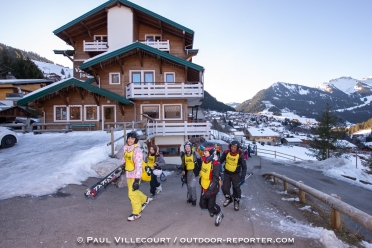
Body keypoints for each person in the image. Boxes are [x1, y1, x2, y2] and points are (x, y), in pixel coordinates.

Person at [121, 131, 153, 221]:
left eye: (132, 138)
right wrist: (122, 165)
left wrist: (137, 180)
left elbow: (139, 166)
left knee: (131, 194)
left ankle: (137, 213)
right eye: (129, 138)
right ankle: (146, 199)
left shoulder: (137, 151)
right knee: (134, 192)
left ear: (135, 140)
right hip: (128, 174)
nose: (130, 140)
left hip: (135, 175)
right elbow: (125, 159)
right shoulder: (126, 148)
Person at [199, 143, 224, 226]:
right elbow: (202, 173)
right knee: (202, 204)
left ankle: (219, 213)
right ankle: (212, 209)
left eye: (206, 152)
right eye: (204, 152)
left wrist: (209, 190)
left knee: (210, 205)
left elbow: (216, 179)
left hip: (212, 188)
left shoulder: (215, 164)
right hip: (204, 186)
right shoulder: (204, 161)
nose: (204, 153)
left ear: (211, 152)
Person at [219, 140, 247, 211]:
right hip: (227, 173)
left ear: (237, 148)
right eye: (232, 147)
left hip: (236, 174)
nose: (233, 148)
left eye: (235, 147)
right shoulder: (226, 153)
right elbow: (220, 161)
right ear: (230, 146)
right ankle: (228, 198)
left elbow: (244, 167)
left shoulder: (240, 155)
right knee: (224, 187)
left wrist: (242, 177)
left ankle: (236, 201)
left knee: (236, 188)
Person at [181, 141, 201, 206]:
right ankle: (190, 198)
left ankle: (194, 199)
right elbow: (183, 164)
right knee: (188, 186)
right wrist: (183, 170)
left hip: (194, 172)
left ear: (190, 147)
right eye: (186, 147)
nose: (187, 148)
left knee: (192, 186)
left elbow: (200, 163)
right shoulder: (184, 155)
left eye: (188, 146)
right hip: (188, 172)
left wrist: (201, 172)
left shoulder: (195, 154)